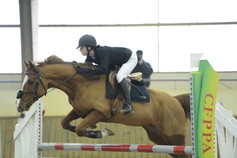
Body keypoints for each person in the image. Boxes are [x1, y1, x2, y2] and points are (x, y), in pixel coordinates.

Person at [76, 34, 137, 115]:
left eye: (81, 48)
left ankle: (128, 105)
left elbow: (103, 70)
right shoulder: (90, 56)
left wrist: (84, 70)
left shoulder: (102, 52)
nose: (80, 50)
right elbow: (87, 66)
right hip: (118, 62)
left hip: (130, 59)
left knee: (120, 76)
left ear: (89, 47)